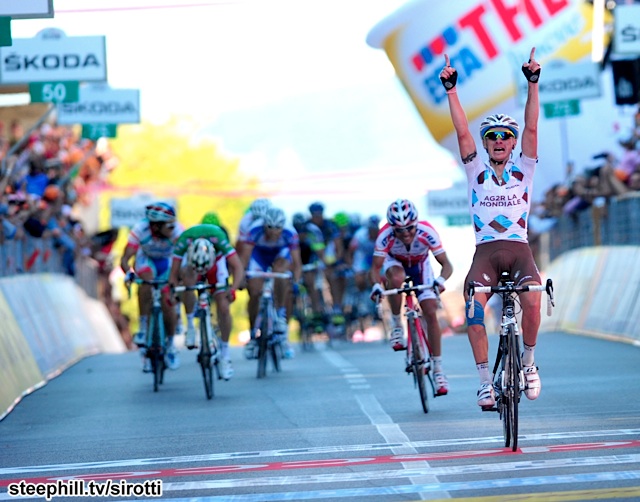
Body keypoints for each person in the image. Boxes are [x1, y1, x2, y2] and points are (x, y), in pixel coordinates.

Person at [440, 47, 543, 408]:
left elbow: (532, 126)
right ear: (485, 144)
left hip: (519, 249)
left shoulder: (524, 169)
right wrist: (452, 90)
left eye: (505, 136)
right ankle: (485, 382)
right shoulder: (475, 171)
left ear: (513, 143)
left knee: (533, 300)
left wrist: (533, 84)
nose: (499, 140)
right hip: (485, 253)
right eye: (492, 136)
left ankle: (528, 363)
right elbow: (461, 131)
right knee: (473, 310)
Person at [369, 199, 453, 396]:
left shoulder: (427, 231)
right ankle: (397, 324)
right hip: (395, 264)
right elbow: (374, 268)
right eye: (399, 230)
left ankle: (438, 369)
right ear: (392, 228)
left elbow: (446, 265)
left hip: (421, 266)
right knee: (396, 278)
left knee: (430, 311)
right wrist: (376, 286)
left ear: (416, 223)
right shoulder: (384, 236)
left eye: (409, 228)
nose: (405, 233)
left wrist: (440, 280)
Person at [167, 224, 244, 380]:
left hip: (216, 266)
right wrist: (173, 292)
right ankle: (190, 326)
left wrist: (232, 289)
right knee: (187, 280)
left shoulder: (219, 238)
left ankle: (225, 354)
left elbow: (238, 267)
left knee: (223, 307)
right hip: (191, 267)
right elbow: (173, 275)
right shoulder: (184, 240)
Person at [120, 202, 183, 371]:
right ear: (155, 226)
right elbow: (125, 259)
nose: (172, 228)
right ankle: (143, 327)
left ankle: (171, 344)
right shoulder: (140, 230)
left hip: (168, 262)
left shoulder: (177, 231)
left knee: (167, 300)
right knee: (145, 281)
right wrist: (129, 273)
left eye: (173, 225)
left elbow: (184, 258)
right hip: (146, 260)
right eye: (168, 226)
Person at [240, 207, 302, 359]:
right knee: (254, 292)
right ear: (264, 225)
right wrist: (241, 278)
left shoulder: (290, 232)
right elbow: (245, 258)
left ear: (283, 226)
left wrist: (296, 281)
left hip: (280, 255)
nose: (274, 232)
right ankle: (253, 334)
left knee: (281, 275)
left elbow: (297, 262)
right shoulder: (254, 230)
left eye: (278, 228)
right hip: (259, 257)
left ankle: (280, 317)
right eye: (270, 228)